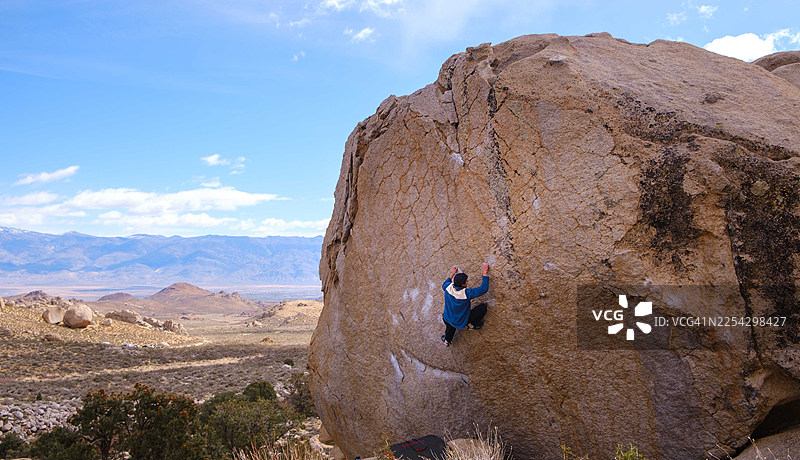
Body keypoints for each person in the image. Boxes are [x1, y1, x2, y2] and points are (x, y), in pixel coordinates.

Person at [441, 263, 489, 347]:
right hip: (461, 321)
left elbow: (446, 282)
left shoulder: (448, 287)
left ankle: (447, 341)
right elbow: (483, 289)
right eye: (466, 281)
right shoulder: (466, 294)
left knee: (450, 329)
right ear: (463, 285)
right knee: (483, 308)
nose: (468, 281)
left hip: (447, 318)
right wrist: (484, 273)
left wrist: (452, 273)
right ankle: (472, 324)